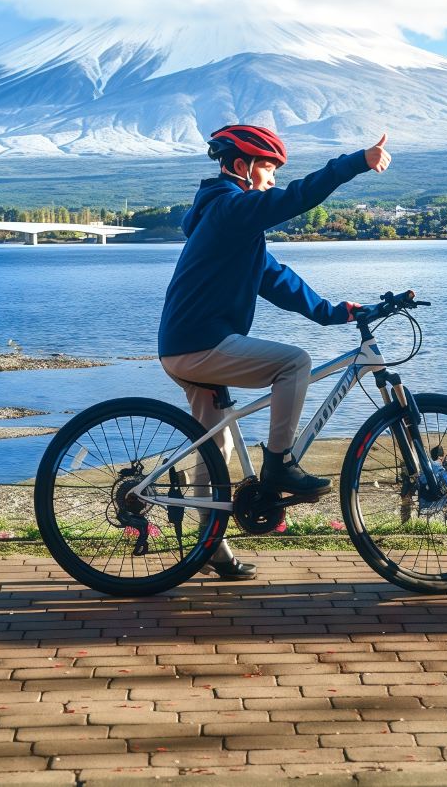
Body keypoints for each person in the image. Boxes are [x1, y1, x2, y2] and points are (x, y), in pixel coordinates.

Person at [157, 122, 389, 580]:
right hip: (200, 346)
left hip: (186, 346)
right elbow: (297, 198)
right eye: (268, 168)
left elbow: (274, 278)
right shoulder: (229, 208)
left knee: (215, 447)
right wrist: (355, 163)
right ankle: (280, 463)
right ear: (241, 167)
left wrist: (331, 312)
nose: (273, 180)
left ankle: (211, 550)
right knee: (294, 363)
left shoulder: (226, 220)